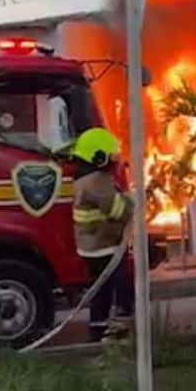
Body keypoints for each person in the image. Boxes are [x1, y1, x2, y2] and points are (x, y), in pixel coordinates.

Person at [71, 127, 135, 343]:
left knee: (101, 289)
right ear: (98, 158)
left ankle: (98, 328)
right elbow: (118, 210)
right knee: (122, 286)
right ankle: (121, 326)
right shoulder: (98, 181)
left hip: (92, 245)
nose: (115, 161)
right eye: (111, 156)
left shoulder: (84, 178)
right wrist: (134, 199)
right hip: (103, 245)